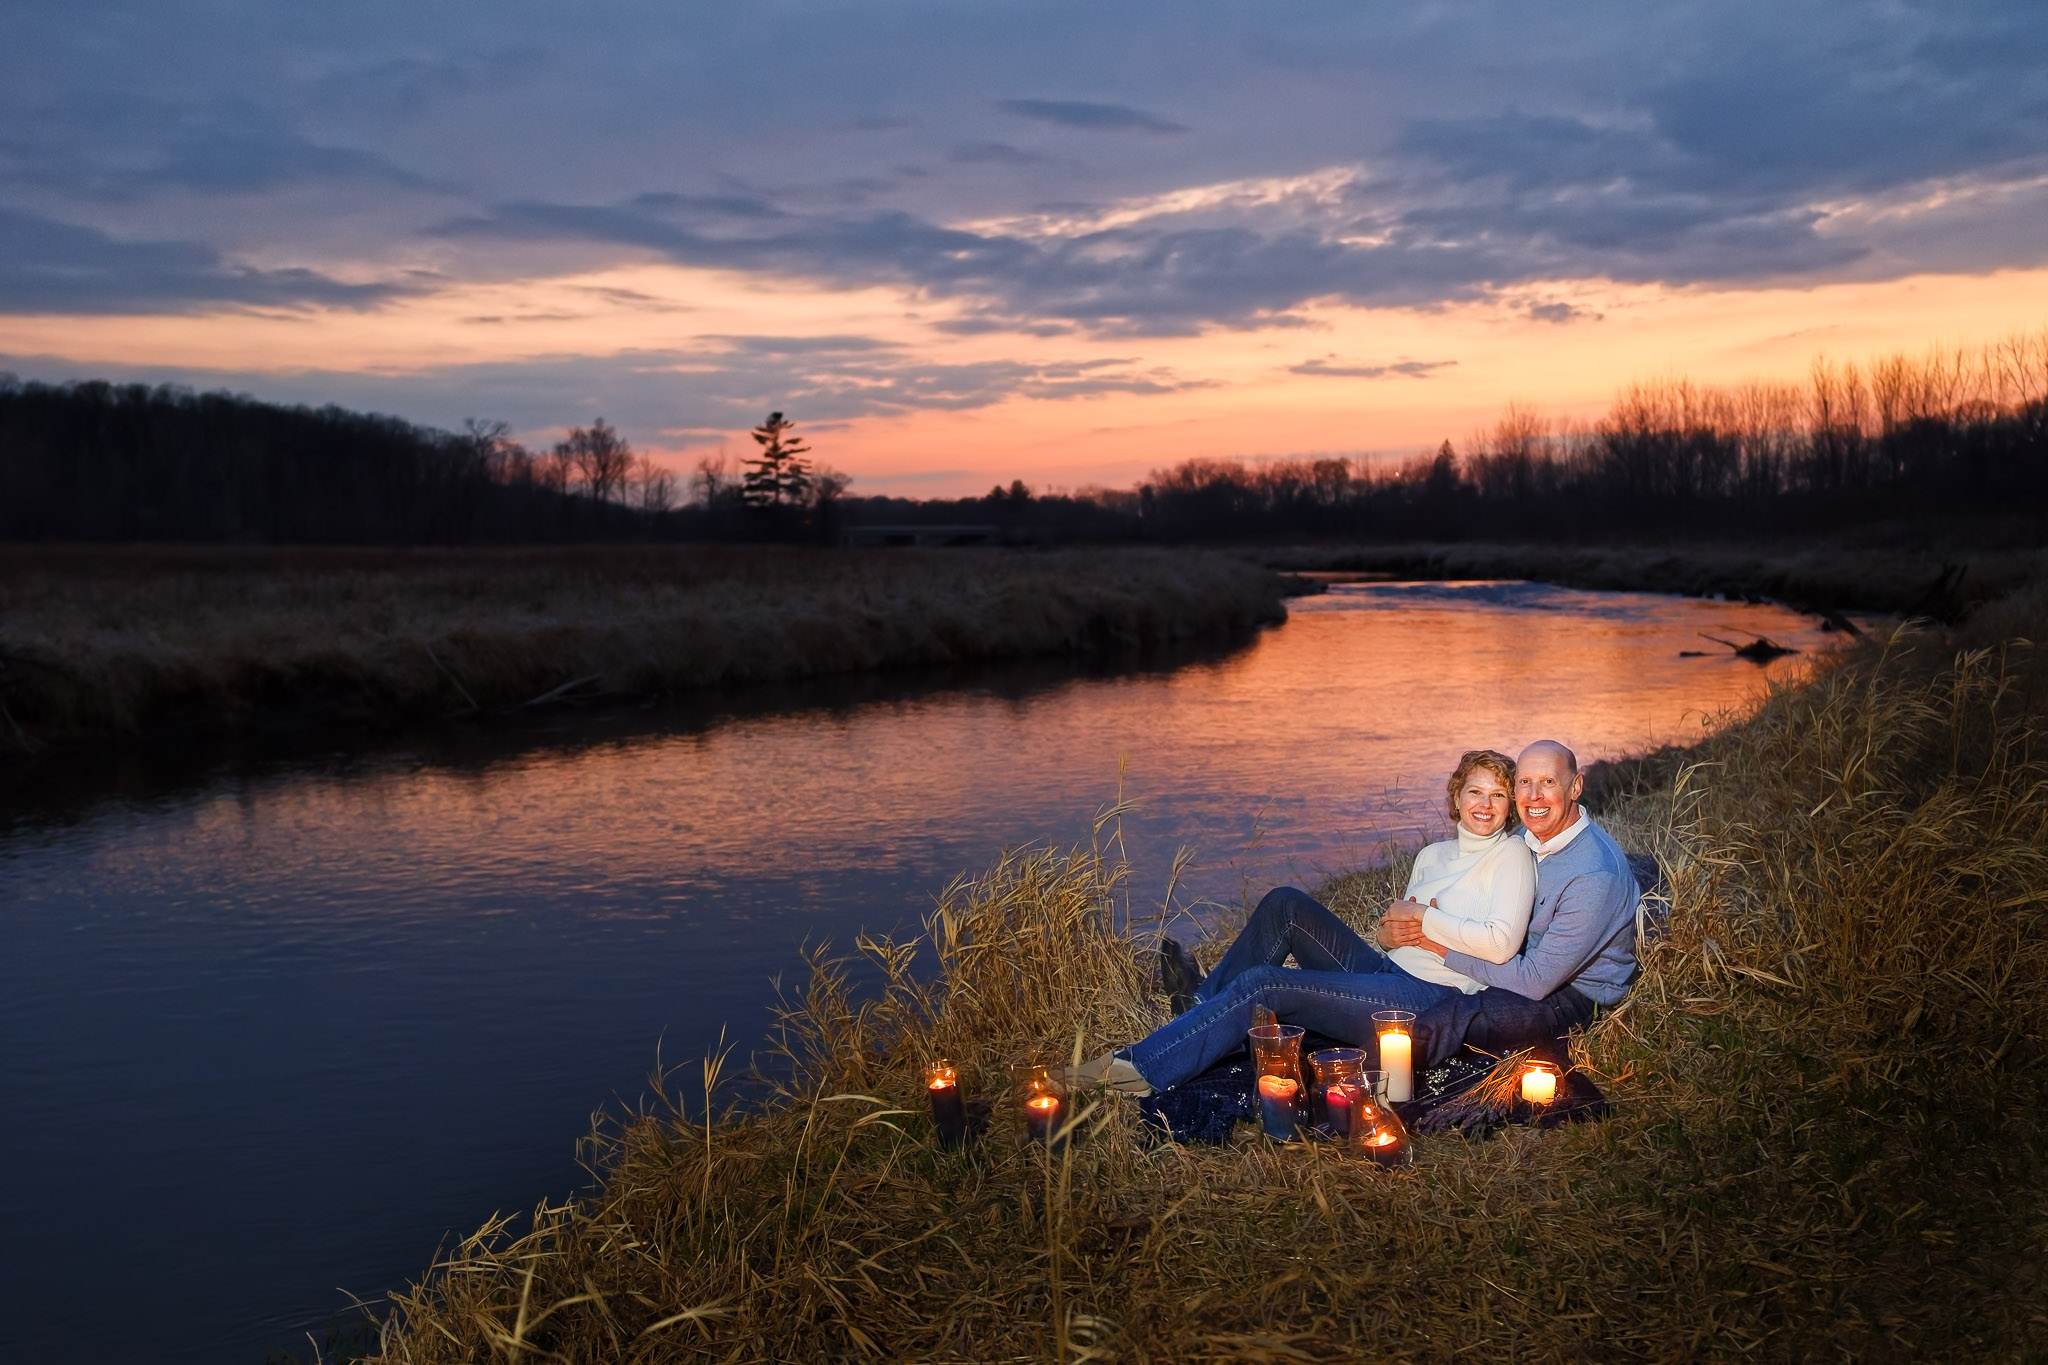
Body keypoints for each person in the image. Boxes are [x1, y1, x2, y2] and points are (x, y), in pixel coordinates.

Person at [1073, 749, 1537, 1095]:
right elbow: (1400, 936)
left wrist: (1424, 916)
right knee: (1286, 904)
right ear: (1456, 796)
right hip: (1387, 971)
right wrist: (1386, 935)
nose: (1485, 804)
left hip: (1430, 998)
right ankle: (1200, 1010)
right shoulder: (1432, 855)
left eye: (1498, 795)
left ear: (1510, 805)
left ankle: (1136, 1069)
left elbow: (1500, 945)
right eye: (1475, 791)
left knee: (1265, 984)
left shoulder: (1512, 855)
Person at [1384, 739, 1641, 1070]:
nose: (1534, 795)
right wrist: (1395, 931)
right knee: (1430, 1017)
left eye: (1548, 782)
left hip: (1573, 994)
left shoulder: (1594, 874)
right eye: (1524, 782)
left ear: (1575, 787)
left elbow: (1535, 980)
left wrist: (1438, 945)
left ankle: (1376, 1090)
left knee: (1441, 1024)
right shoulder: (1524, 838)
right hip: (1514, 966)